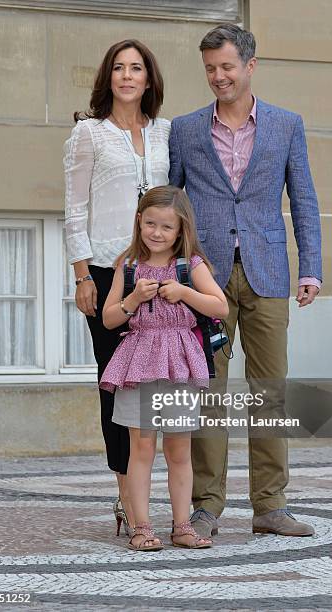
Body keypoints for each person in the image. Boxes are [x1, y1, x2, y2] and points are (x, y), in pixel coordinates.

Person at [169, 24, 322, 538]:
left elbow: (304, 200)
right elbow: (171, 207)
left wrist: (310, 268)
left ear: (250, 66)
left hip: (268, 274)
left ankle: (270, 506)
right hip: (204, 280)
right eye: (210, 68)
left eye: (227, 67)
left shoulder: (286, 125)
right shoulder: (186, 130)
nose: (218, 77)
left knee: (269, 392)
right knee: (209, 391)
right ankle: (206, 506)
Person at [64, 39, 170, 536]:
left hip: (156, 272)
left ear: (149, 78)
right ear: (108, 77)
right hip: (107, 272)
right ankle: (127, 499)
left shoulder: (166, 132)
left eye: (137, 68)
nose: (128, 76)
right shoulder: (88, 134)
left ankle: (149, 497)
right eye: (119, 68)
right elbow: (75, 211)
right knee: (115, 384)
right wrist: (82, 274)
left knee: (150, 386)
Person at [99, 185, 228, 551]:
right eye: (150, 223)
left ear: (181, 230)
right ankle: (141, 526)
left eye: (166, 227)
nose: (156, 232)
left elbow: (220, 308)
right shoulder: (127, 265)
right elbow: (109, 319)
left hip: (181, 366)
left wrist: (184, 293)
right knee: (141, 447)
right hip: (138, 364)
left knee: (179, 450)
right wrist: (134, 298)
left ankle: (182, 525)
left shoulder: (191, 266)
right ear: (139, 221)